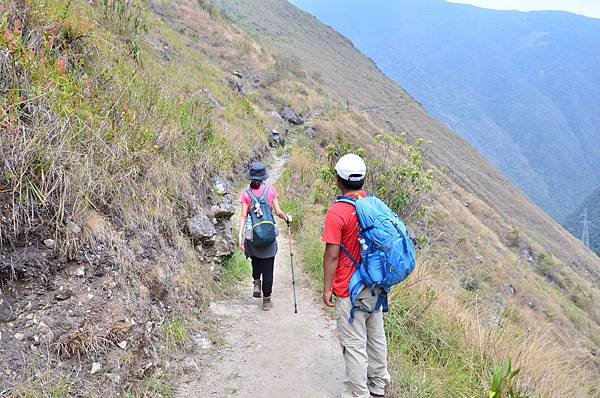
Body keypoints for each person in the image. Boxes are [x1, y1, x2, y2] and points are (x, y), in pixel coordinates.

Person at [321, 154, 390, 398]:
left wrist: (327, 288)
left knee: (354, 345)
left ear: (338, 179)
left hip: (348, 288)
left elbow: (332, 256)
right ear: (363, 179)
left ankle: (358, 394)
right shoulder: (375, 205)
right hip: (376, 284)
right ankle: (378, 385)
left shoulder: (338, 211)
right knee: (376, 336)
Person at [238, 161, 291, 311]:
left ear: (250, 177)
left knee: (256, 261)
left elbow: (242, 216)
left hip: (253, 236)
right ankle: (266, 300)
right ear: (264, 177)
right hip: (268, 236)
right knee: (268, 268)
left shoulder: (246, 195)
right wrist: (287, 218)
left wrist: (240, 235)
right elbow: (279, 212)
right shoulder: (271, 191)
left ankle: (256, 282)